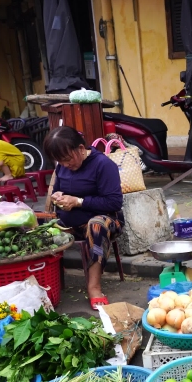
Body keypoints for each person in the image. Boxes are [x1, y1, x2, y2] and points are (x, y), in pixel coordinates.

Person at [44, 126, 123, 310]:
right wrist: (57, 197)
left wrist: (78, 201)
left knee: (96, 226)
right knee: (36, 228)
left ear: (80, 149)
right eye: (60, 162)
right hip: (70, 222)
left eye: (67, 159)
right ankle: (49, 283)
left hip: (107, 220)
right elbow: (57, 190)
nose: (65, 165)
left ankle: (94, 287)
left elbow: (113, 203)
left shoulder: (103, 165)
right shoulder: (63, 168)